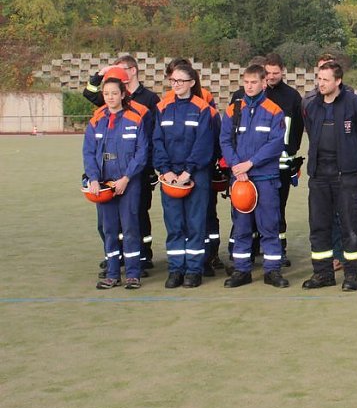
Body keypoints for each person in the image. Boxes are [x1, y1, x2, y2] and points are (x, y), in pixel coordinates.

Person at [302, 60, 357, 292]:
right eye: (319, 79)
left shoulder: (355, 104)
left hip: (346, 176)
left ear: (338, 81)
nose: (320, 84)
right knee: (319, 226)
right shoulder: (312, 107)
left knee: (350, 226)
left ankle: (352, 274)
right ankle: (322, 273)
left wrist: (351, 159)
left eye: (325, 80)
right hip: (318, 176)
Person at [84, 55, 159, 273]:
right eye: (106, 93)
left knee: (135, 220)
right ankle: (115, 265)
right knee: (108, 226)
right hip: (107, 178)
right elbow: (89, 151)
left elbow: (147, 144)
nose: (109, 97)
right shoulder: (100, 115)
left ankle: (140, 262)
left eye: (114, 93)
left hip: (135, 175)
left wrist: (141, 172)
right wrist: (93, 177)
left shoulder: (146, 104)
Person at [230, 53, 304, 266]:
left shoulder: (291, 97)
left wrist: (291, 152)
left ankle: (279, 251)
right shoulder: (240, 98)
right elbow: (230, 136)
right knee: (245, 209)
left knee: (276, 210)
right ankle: (249, 251)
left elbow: (296, 129)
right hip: (247, 167)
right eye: (268, 73)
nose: (271, 77)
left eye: (275, 73)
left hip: (278, 165)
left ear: (283, 71)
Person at [220, 64, 289, 288]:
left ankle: (272, 271)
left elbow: (276, 143)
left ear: (263, 83)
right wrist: (236, 166)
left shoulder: (274, 111)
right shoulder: (233, 110)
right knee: (241, 227)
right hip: (240, 180)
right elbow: (225, 141)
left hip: (265, 179)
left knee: (269, 226)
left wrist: (250, 163)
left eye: (254, 82)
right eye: (246, 82)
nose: (249, 86)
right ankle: (241, 270)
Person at [152, 61, 214, 289]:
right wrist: (166, 171)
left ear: (191, 82)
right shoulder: (162, 107)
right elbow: (157, 141)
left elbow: (203, 144)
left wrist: (188, 171)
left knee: (195, 224)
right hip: (170, 177)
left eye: (180, 80)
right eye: (173, 80)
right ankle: (176, 269)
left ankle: (194, 270)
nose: (175, 84)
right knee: (174, 225)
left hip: (196, 176)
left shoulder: (202, 108)